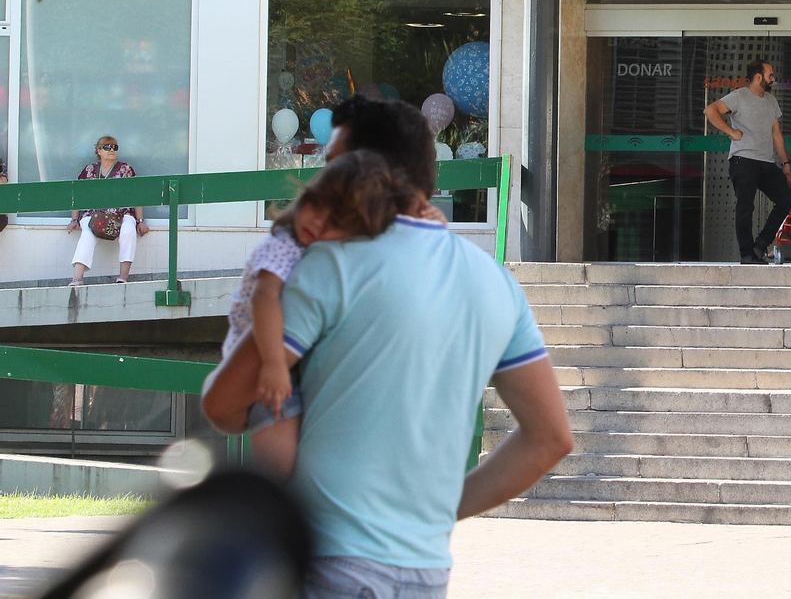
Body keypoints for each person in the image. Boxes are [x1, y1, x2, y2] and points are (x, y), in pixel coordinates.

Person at [202, 96, 573, 599]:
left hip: (325, 563)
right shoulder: (496, 283)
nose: (321, 182)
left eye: (333, 164)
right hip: (424, 571)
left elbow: (224, 406)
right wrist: (435, 513)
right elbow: (551, 439)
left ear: (364, 171)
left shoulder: (329, 264)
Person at [219, 149, 416, 480]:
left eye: (333, 222)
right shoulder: (284, 244)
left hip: (299, 357)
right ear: (303, 199)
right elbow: (264, 298)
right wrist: (273, 364)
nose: (316, 222)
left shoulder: (325, 251)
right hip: (264, 356)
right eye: (315, 207)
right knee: (279, 450)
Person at [705, 59, 791, 264]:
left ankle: (760, 245)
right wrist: (731, 131)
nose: (773, 79)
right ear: (758, 77)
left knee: (786, 200)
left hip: (766, 161)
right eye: (770, 75)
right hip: (743, 160)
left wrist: (786, 163)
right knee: (745, 207)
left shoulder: (771, 100)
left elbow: (777, 134)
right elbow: (710, 110)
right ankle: (747, 254)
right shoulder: (739, 96)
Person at [68, 136, 151, 285]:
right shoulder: (90, 170)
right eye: (107, 147)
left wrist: (140, 221)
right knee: (87, 234)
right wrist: (74, 220)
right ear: (99, 151)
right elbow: (77, 195)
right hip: (93, 214)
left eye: (114, 147)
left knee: (128, 231)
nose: (112, 150)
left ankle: (122, 278)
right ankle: (77, 279)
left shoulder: (125, 169)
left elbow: (136, 195)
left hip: (121, 214)